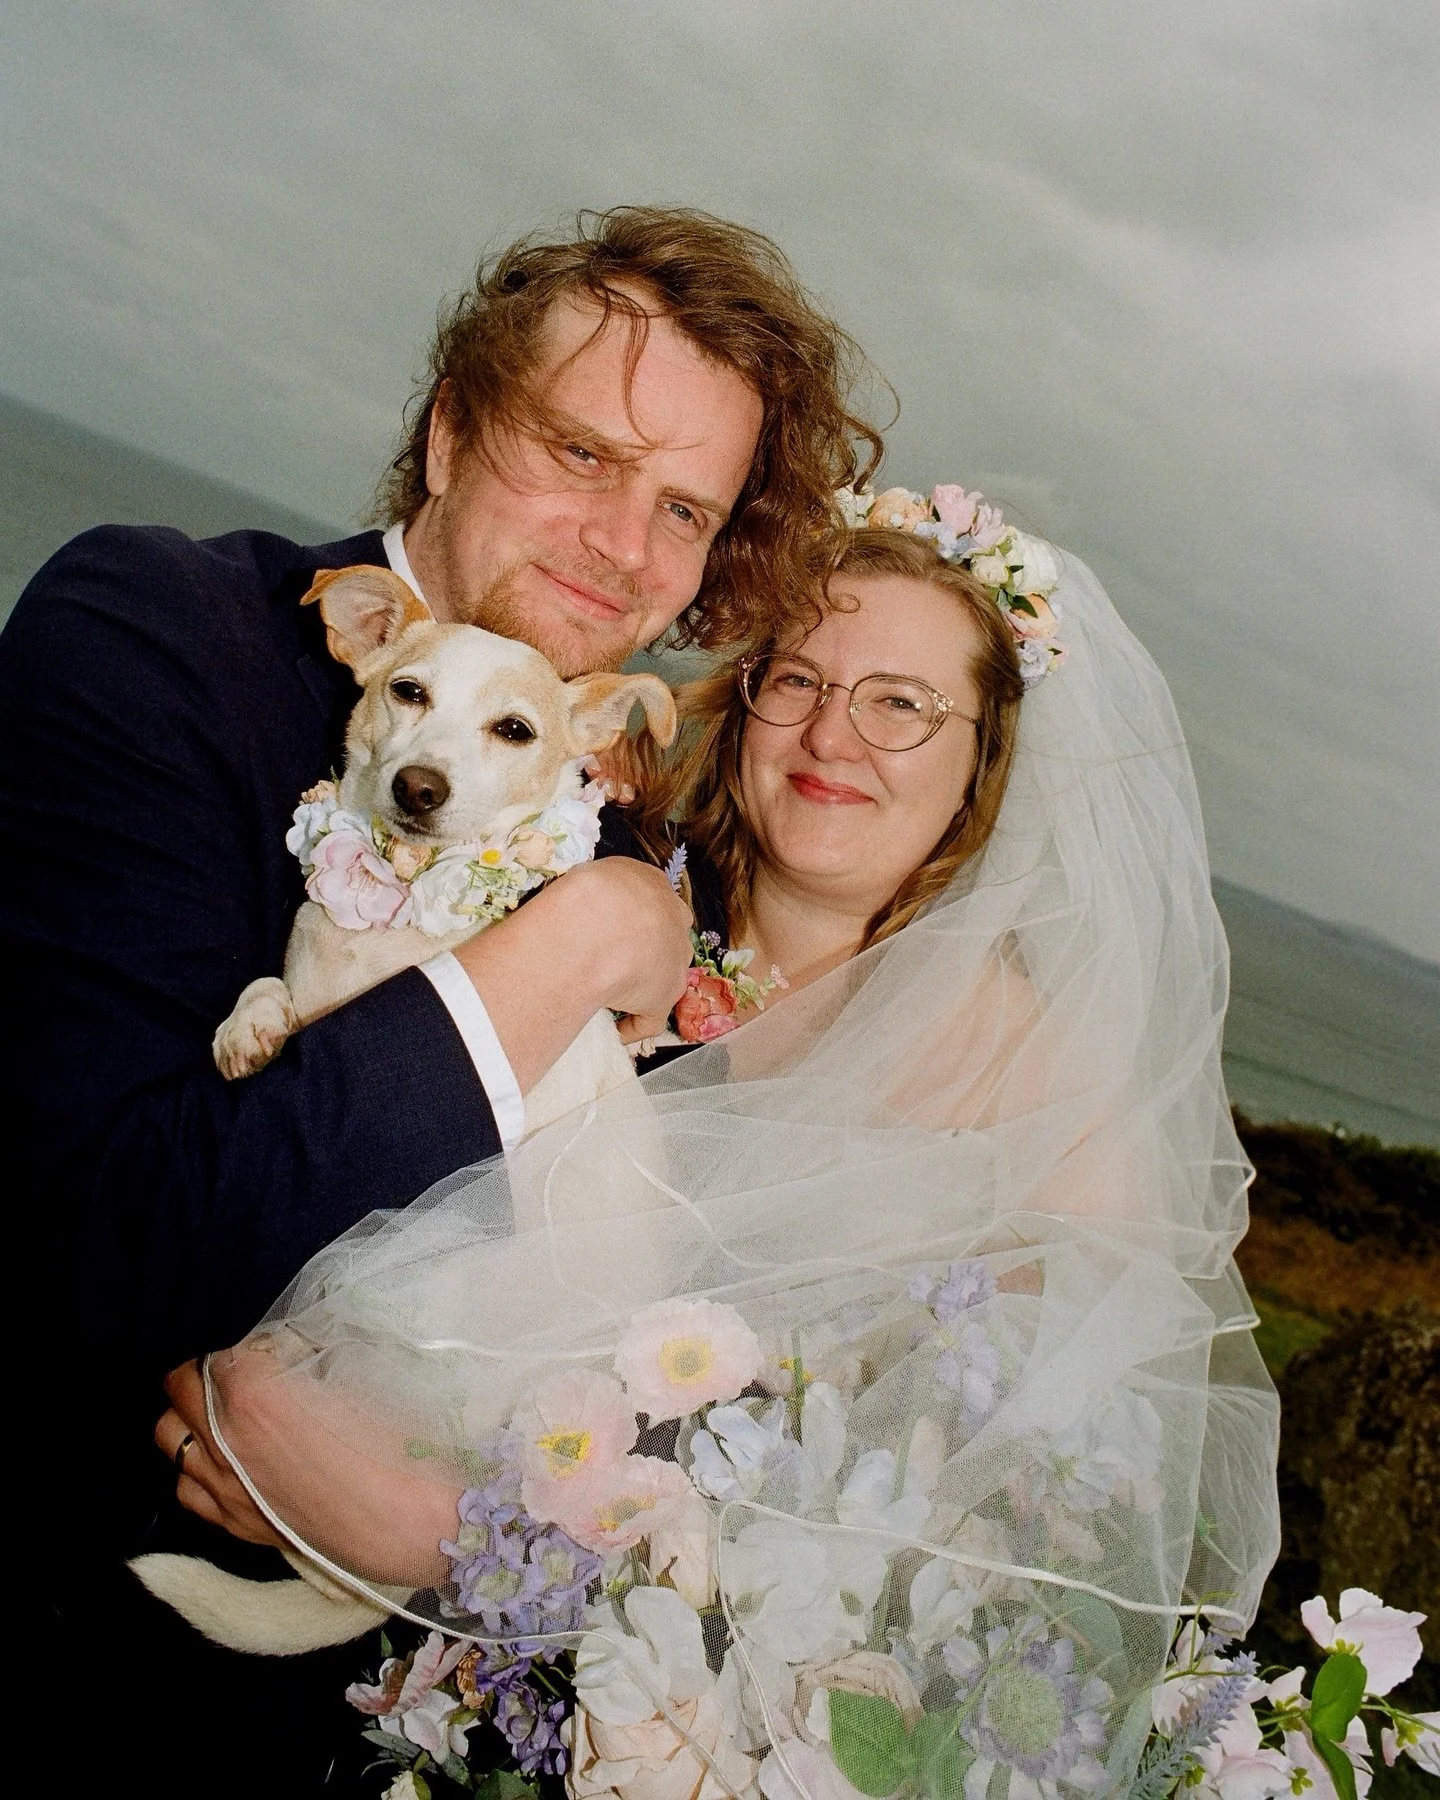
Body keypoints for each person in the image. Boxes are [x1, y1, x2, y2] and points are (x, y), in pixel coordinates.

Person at [166, 492, 1281, 1797]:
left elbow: (1023, 1565)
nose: (831, 733)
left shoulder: (1050, 1090)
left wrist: (450, 1541)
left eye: (902, 704)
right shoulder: (555, 871)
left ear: (984, 765)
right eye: (799, 677)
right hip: (299, 1655)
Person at [3, 205, 879, 1784]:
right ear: (453, 427)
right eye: (584, 455)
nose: (627, 549)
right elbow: (93, 1246)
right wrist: (571, 941)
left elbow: (638, 1299)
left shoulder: (637, 822)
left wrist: (466, 1538)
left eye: (684, 510)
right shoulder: (155, 634)